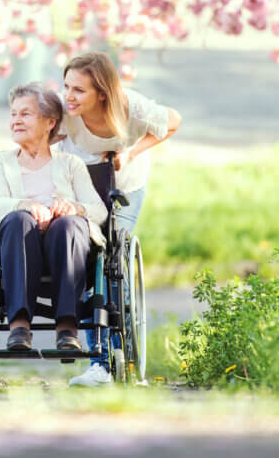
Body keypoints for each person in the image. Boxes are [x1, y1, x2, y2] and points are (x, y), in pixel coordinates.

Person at [58, 51, 182, 386]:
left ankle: (118, 359)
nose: (69, 96)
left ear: (102, 93)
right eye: (66, 86)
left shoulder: (131, 107)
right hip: (80, 192)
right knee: (82, 262)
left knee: (110, 263)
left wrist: (130, 152)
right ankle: (98, 363)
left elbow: (173, 121)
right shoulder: (63, 110)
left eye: (78, 90)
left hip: (123, 190)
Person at [0, 83, 108, 352]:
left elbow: (99, 210)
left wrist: (74, 207)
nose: (16, 120)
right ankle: (19, 327)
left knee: (69, 224)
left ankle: (67, 329)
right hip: (17, 240)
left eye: (25, 114)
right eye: (13, 114)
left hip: (64, 243)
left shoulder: (71, 164)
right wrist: (26, 205)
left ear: (50, 122)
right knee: (19, 219)